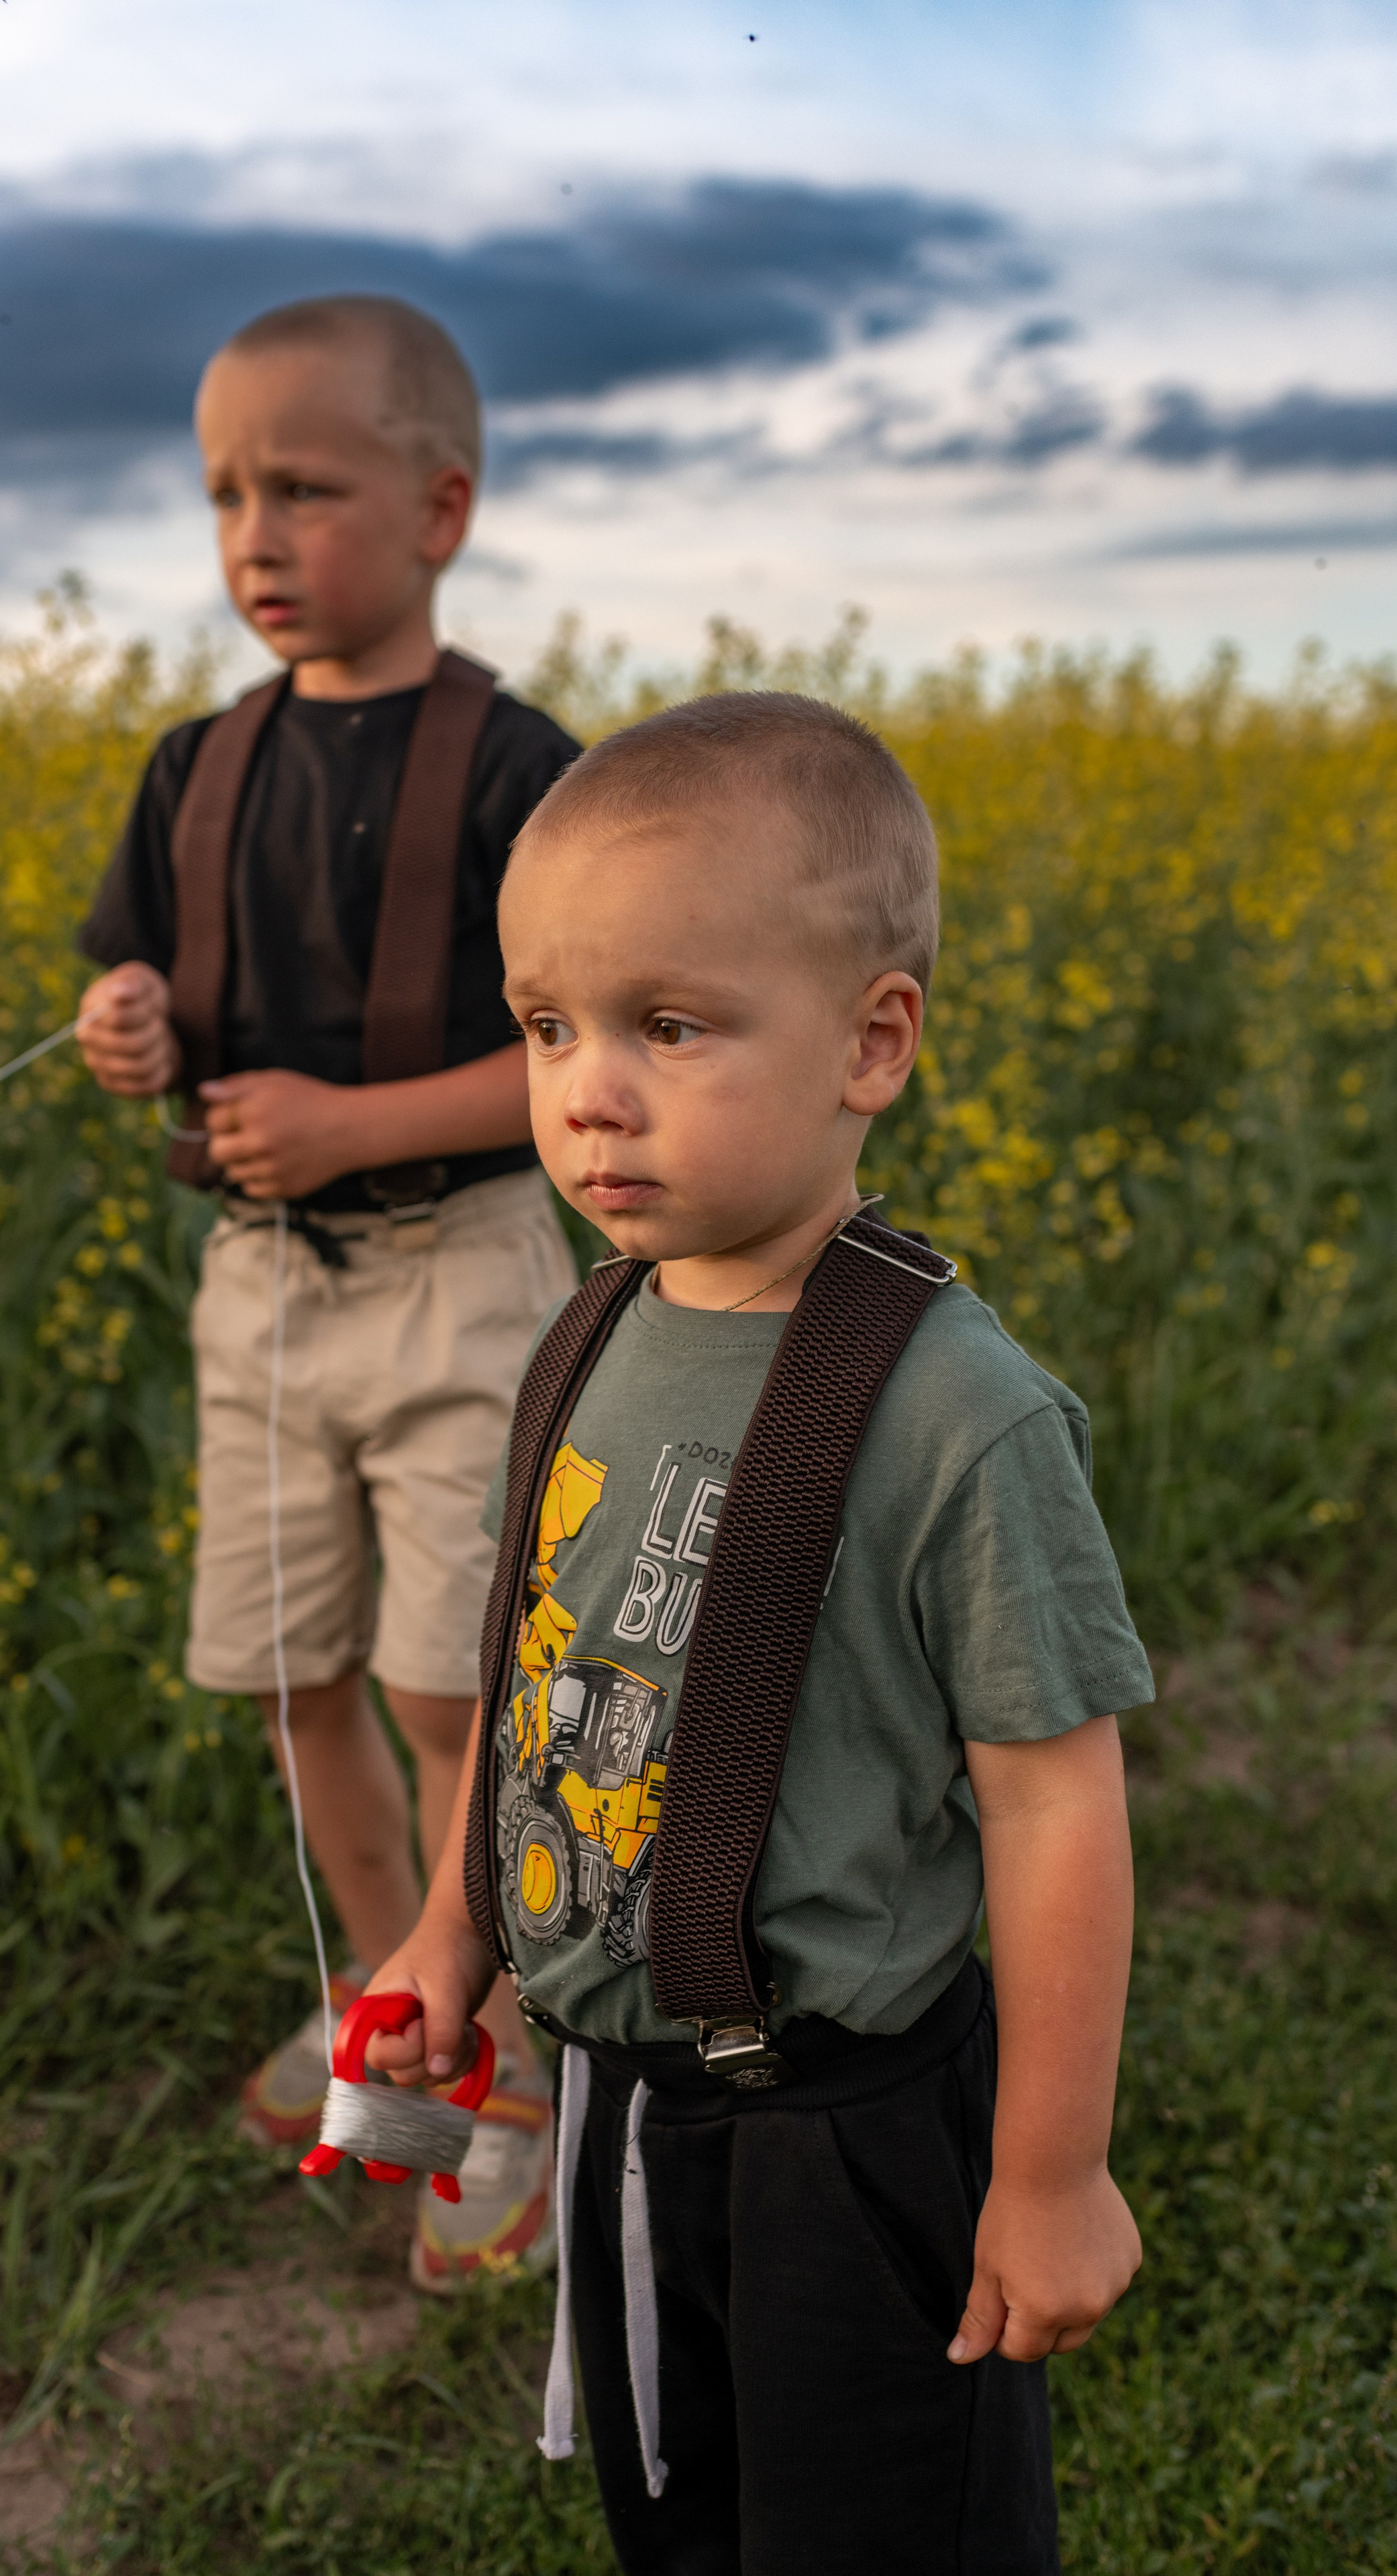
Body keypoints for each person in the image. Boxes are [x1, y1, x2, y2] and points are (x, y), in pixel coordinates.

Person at [364, 691, 1154, 2568]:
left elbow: (1057, 1811)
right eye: (549, 1027)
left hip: (852, 2136)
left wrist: (1049, 2177)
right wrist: (450, 1922)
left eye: (671, 1025)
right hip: (631, 2112)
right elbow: (538, 1680)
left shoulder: (957, 1411)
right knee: (682, 2522)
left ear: (875, 1040)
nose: (589, 1090)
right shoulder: (589, 1335)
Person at [74, 294, 580, 2294]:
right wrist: (126, 1031)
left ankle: (515, 2060)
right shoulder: (197, 768)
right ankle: (389, 1989)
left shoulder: (518, 766)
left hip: (459, 1276)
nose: (256, 535)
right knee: (295, 1677)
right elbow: (156, 1009)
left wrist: (355, 1122)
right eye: (222, 495)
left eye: (306, 487)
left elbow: (576, 1063)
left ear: (443, 506)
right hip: (263, 1291)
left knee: (452, 1691)